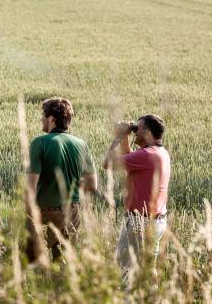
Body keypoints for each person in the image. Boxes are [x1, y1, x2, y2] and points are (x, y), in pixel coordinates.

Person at [26, 97, 98, 262]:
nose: (41, 119)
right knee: (64, 264)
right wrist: (68, 183)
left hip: (43, 212)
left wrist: (27, 216)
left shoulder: (40, 143)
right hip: (71, 212)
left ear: (51, 118)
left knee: (33, 265)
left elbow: (30, 187)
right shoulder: (82, 144)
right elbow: (93, 185)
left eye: (42, 115)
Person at [103, 114, 170, 289]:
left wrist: (118, 137)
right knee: (148, 271)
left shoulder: (146, 155)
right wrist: (126, 136)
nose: (135, 133)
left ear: (147, 133)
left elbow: (107, 163)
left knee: (126, 273)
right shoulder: (160, 153)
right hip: (157, 222)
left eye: (137, 130)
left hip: (140, 223)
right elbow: (130, 159)